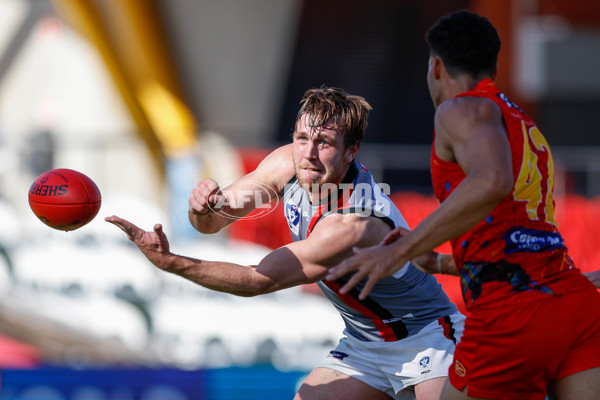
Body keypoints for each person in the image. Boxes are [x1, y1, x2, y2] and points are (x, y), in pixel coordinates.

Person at [106, 87, 465, 400]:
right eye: (301, 138)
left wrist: (171, 262)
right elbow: (213, 221)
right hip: (365, 340)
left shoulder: (352, 222)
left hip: (425, 335)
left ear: (351, 151)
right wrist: (201, 206)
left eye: (324, 143)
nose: (307, 154)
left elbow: (259, 280)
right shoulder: (287, 164)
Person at [326, 11, 600, 400]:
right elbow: (518, 237)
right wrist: (439, 262)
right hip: (575, 306)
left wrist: (401, 250)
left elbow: (491, 181)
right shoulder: (521, 121)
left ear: (436, 67)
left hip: (512, 318)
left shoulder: (460, 108)